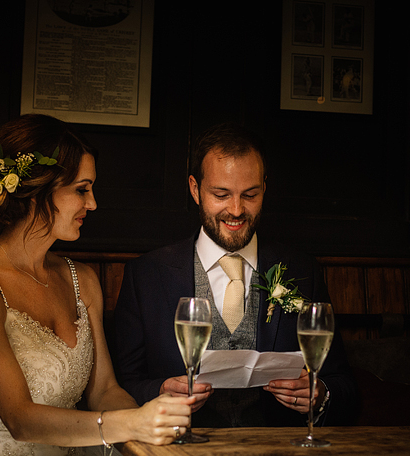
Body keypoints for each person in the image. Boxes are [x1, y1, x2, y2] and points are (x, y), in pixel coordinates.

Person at [0, 114, 193, 456]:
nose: (93, 204)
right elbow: (20, 419)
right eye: (81, 189)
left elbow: (105, 391)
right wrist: (131, 424)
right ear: (38, 189)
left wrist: (153, 415)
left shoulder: (81, 279)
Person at [111, 122, 356, 427]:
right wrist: (158, 391)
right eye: (222, 194)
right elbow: (122, 384)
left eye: (250, 195)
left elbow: (342, 382)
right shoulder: (145, 275)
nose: (237, 210)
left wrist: (320, 394)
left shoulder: (302, 270)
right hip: (179, 455)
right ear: (194, 189)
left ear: (264, 188)